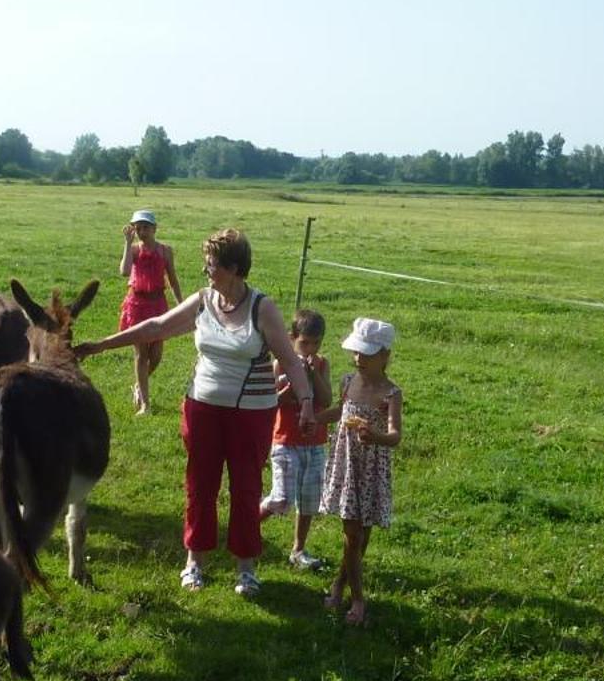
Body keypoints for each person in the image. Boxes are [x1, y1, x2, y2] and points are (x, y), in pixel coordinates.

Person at [75, 227, 312, 598]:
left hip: (251, 415)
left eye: (212, 265)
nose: (206, 271)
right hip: (201, 408)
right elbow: (156, 326)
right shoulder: (203, 300)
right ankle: (194, 563)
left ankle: (246, 569)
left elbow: (290, 361)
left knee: (246, 489)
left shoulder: (261, 308)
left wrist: (308, 401)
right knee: (200, 485)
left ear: (234, 268)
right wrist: (102, 345)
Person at [322, 316, 402, 626]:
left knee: (359, 538)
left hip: (371, 469)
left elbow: (395, 435)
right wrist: (315, 418)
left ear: (385, 356)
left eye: (366, 354)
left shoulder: (391, 393)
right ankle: (358, 599)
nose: (358, 359)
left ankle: (339, 585)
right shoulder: (347, 382)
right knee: (351, 535)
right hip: (347, 465)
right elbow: (340, 412)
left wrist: (377, 436)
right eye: (356, 352)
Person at [259, 307, 334, 571]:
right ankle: (247, 526)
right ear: (292, 339)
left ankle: (298, 549)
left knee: (309, 499)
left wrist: (312, 375)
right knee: (281, 498)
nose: (310, 349)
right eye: (304, 343)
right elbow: (271, 401)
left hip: (314, 443)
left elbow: (326, 400)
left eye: (316, 343)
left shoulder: (322, 364)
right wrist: (292, 388)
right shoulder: (281, 363)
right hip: (286, 440)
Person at [116, 210, 181, 415]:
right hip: (137, 304)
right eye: (138, 228)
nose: (142, 231)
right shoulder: (134, 250)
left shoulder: (165, 251)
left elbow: (172, 279)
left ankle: (139, 385)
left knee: (157, 354)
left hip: (158, 305)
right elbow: (125, 271)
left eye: (145, 227)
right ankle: (145, 403)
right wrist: (127, 243)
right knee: (141, 354)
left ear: (154, 228)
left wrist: (181, 304)